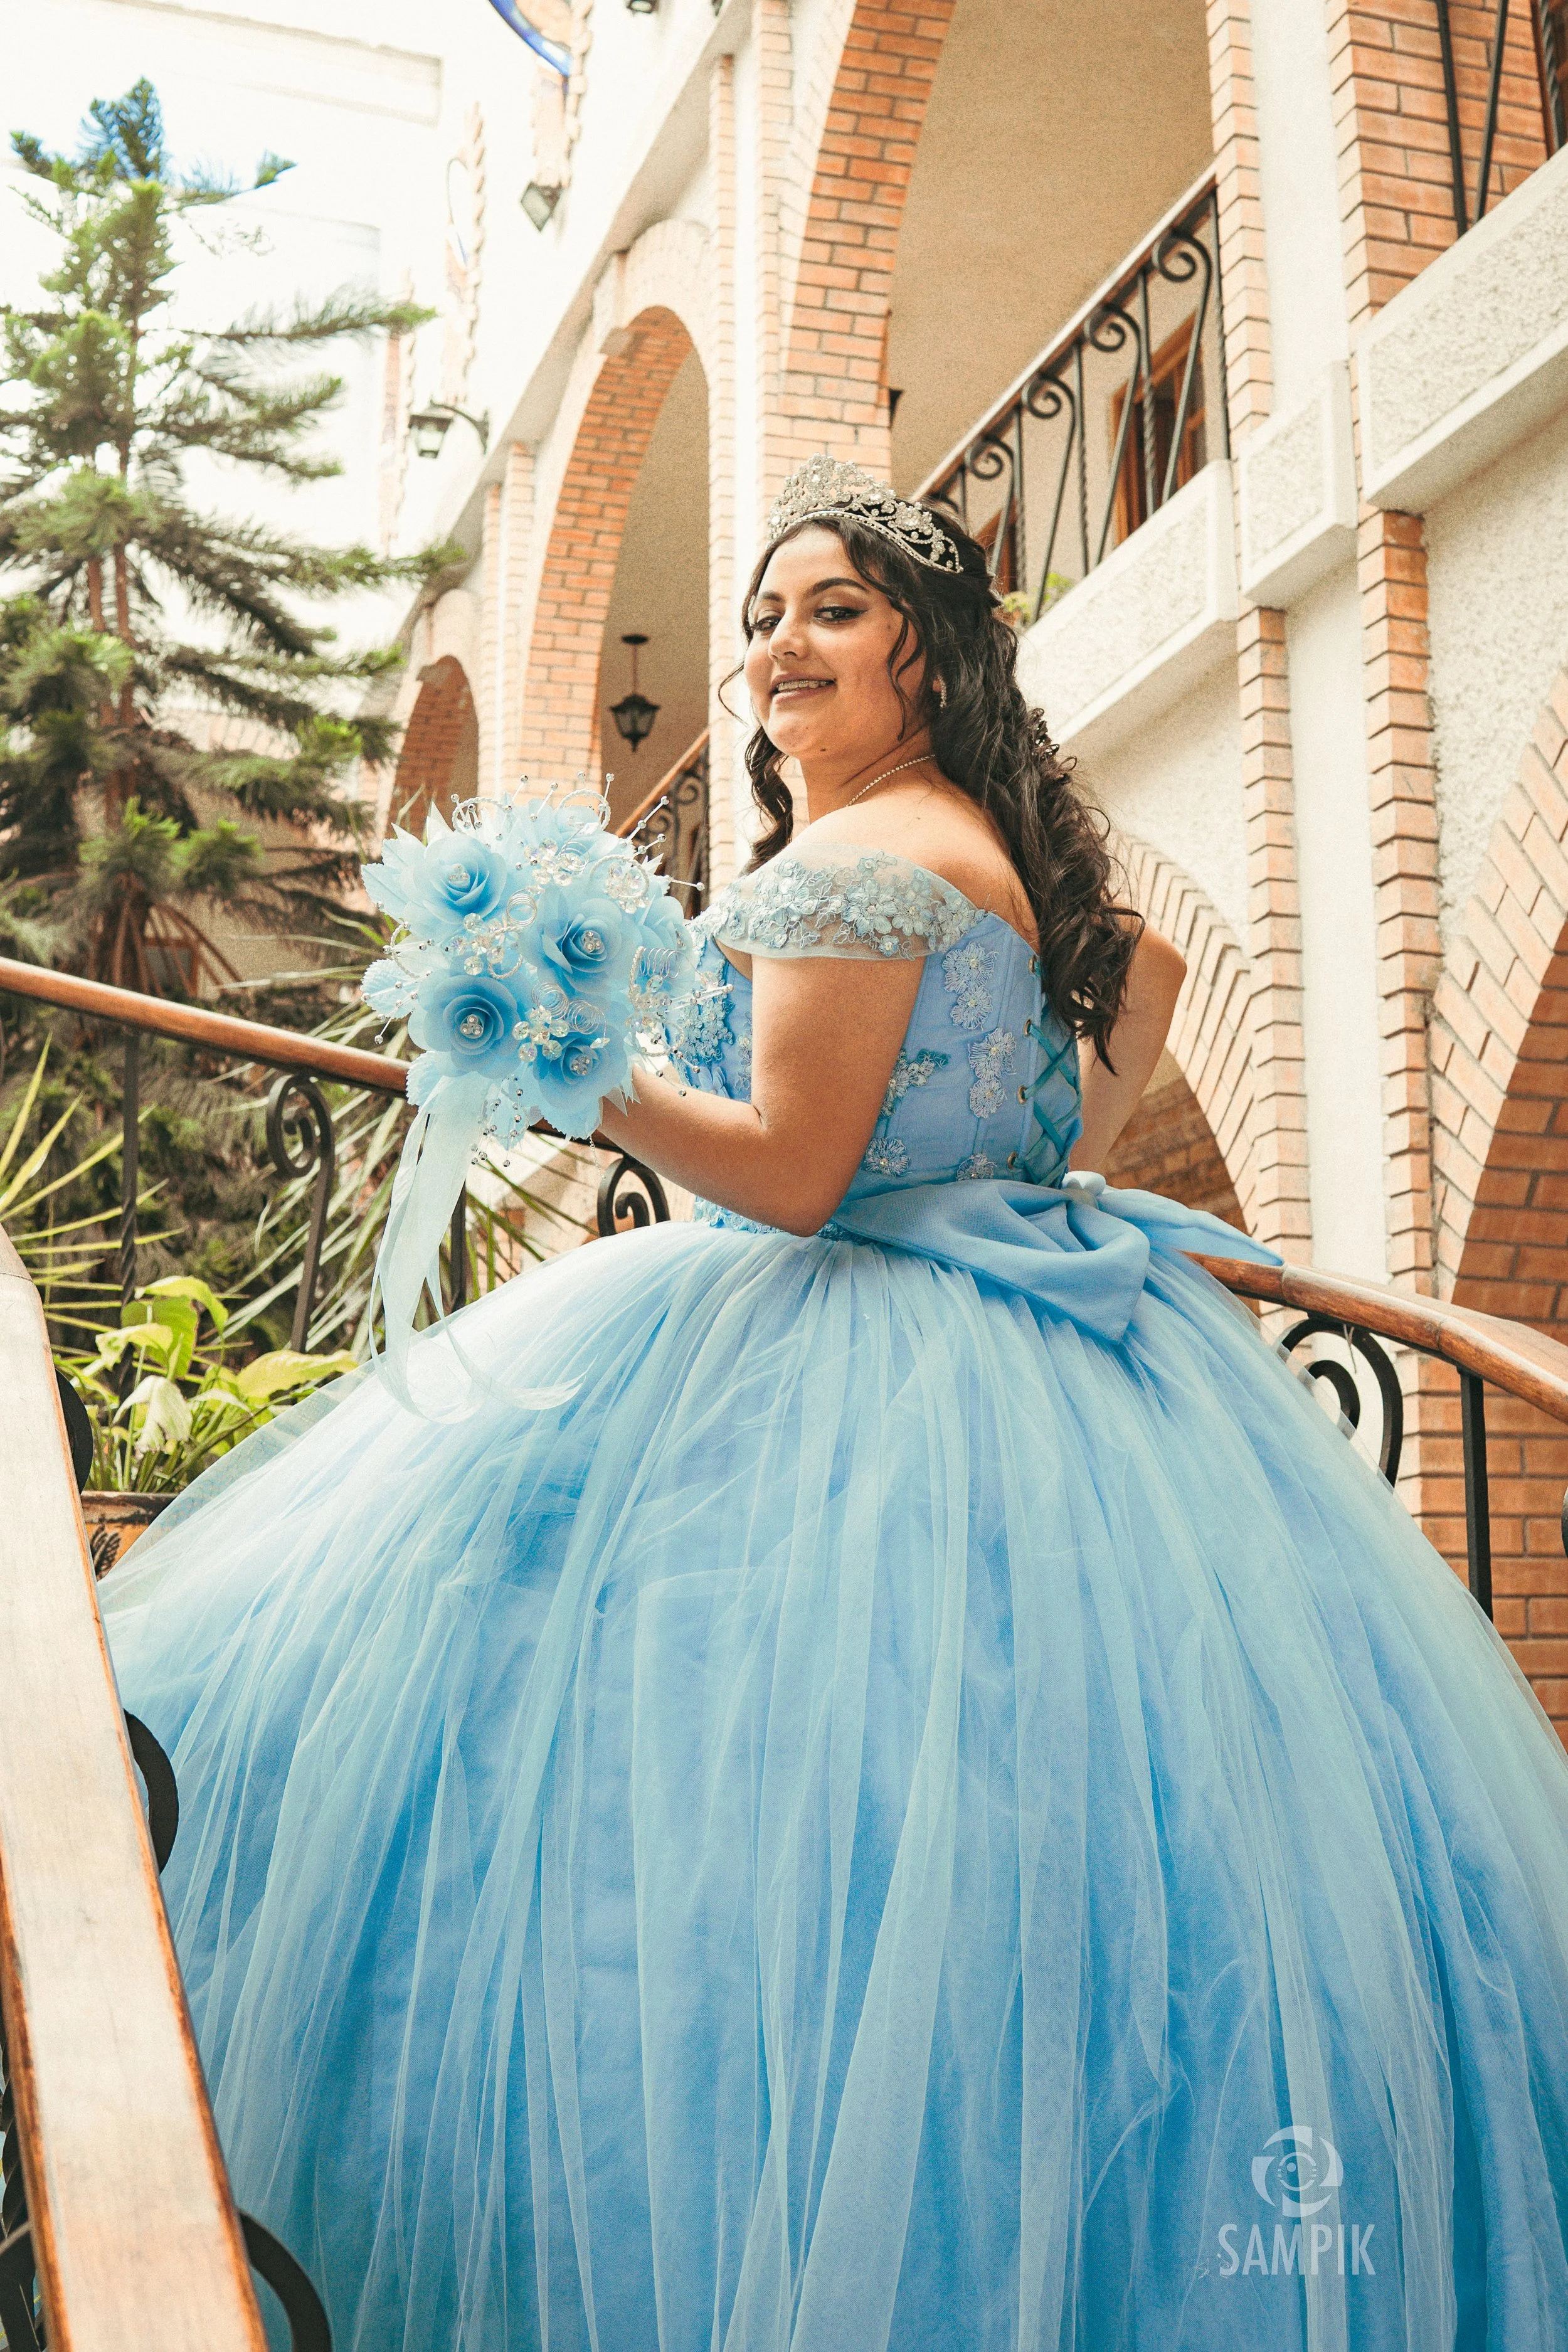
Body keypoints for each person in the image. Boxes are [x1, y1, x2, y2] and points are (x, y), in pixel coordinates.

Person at [103, 458, 1568, 2352]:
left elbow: (789, 1174)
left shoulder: (862, 861)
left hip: (829, 1345)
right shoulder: (1033, 878)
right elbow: (1087, 1112)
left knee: (705, 1848)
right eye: (764, 616)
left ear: (927, 659)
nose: (781, 645)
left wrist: (572, 1064)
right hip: (1060, 1370)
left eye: (834, 609)